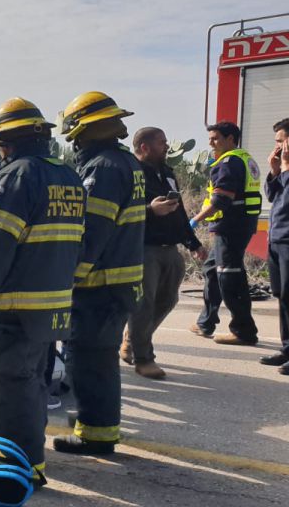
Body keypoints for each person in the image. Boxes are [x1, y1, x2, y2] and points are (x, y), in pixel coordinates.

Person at [0, 98, 83, 482]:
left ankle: (19, 468)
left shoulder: (18, 176)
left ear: (4, 143)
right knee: (32, 382)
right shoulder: (69, 176)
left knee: (7, 386)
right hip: (51, 305)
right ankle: (32, 460)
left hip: (13, 308)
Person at [51, 92, 145, 456]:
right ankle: (100, 428)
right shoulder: (125, 163)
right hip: (118, 283)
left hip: (99, 286)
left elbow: (90, 232)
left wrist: (69, 277)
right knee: (100, 358)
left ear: (83, 128)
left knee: (88, 359)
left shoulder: (102, 168)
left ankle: (96, 434)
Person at [121, 127, 207, 380]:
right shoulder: (130, 172)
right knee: (143, 305)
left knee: (168, 300)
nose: (167, 146)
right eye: (161, 143)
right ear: (145, 147)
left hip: (170, 249)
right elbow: (123, 209)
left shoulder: (167, 173)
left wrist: (193, 243)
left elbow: (179, 212)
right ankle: (144, 358)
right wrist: (150, 210)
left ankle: (132, 340)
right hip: (144, 249)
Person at [189, 121, 261, 345]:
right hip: (238, 224)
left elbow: (221, 200)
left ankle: (243, 330)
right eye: (210, 138)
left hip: (231, 226)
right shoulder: (243, 158)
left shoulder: (229, 163)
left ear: (231, 139)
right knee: (212, 270)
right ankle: (205, 322)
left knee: (229, 276)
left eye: (216, 138)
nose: (211, 142)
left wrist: (195, 220)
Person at [261, 118, 289, 375]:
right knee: (282, 297)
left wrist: (287, 169)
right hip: (277, 240)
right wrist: (274, 172)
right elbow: (273, 197)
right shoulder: (283, 169)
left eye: (281, 142)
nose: (278, 149)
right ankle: (287, 348)